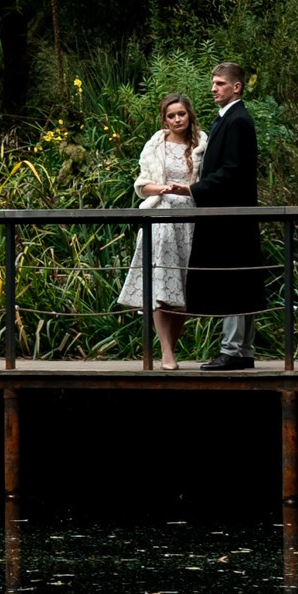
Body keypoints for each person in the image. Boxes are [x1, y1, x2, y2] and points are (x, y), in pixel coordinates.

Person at [186, 60, 266, 371]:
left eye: (220, 83)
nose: (213, 88)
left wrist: (194, 189)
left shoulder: (238, 121)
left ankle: (233, 350)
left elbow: (233, 170)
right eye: (213, 83)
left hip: (233, 214)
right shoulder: (228, 119)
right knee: (239, 278)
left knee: (235, 279)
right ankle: (242, 350)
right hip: (230, 213)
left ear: (237, 87)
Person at [115, 92, 203, 370]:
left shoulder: (202, 142)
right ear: (164, 119)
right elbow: (142, 184)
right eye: (171, 115)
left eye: (181, 114)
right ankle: (166, 351)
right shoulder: (156, 144)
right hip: (162, 216)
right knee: (161, 284)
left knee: (184, 288)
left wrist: (186, 189)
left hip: (190, 218)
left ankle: (171, 348)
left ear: (189, 115)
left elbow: (208, 181)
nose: (177, 119)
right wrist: (162, 188)